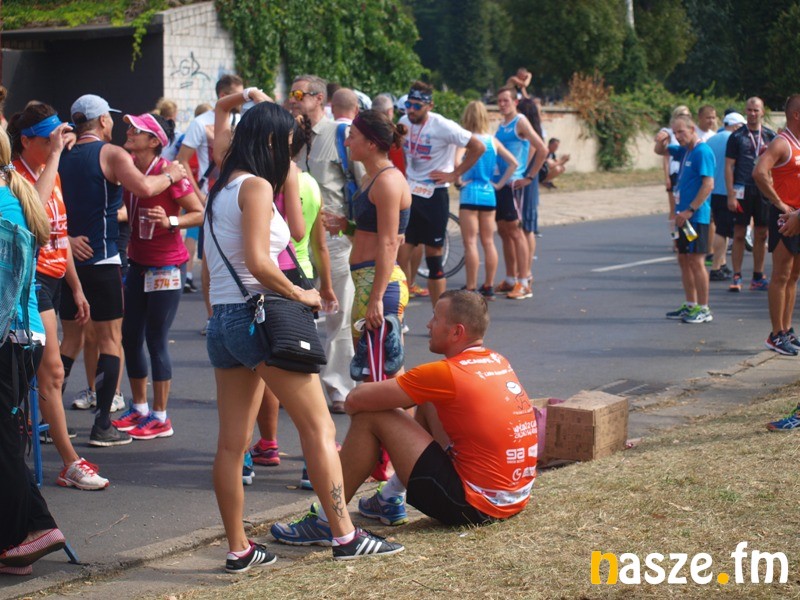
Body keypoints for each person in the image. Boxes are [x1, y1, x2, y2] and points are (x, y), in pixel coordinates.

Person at [203, 92, 402, 572]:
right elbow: (259, 261)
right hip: (258, 316)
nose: (292, 154)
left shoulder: (221, 187)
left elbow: (213, 267)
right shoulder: (255, 187)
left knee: (232, 443)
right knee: (320, 427)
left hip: (225, 319)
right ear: (271, 142)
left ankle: (239, 549)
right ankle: (345, 536)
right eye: (290, 145)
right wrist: (303, 295)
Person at [271, 290, 537, 537]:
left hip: (475, 505)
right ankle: (389, 496)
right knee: (428, 399)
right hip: (513, 498)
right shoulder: (497, 360)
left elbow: (354, 401)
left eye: (436, 318)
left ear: (457, 331)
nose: (428, 325)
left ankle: (326, 521)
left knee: (371, 416)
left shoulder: (445, 373)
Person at [58, 94, 186, 447]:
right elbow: (144, 187)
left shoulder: (60, 152)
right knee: (110, 340)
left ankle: (46, 419)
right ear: (102, 121)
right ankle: (102, 424)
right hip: (102, 260)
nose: (116, 125)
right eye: (112, 119)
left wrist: (66, 238)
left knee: (70, 340)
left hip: (68, 260)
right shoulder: (111, 154)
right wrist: (172, 174)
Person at [8, 103, 109, 490]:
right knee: (51, 371)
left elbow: (60, 232)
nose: (58, 144)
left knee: (43, 372)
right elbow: (34, 216)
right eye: (48, 139)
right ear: (26, 141)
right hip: (29, 280)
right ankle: (69, 462)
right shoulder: (15, 176)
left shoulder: (52, 171)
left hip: (54, 277)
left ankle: (40, 446)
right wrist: (53, 155)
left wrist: (76, 286)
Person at [110, 113, 203, 439]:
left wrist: (171, 222)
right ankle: (140, 408)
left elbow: (199, 212)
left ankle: (161, 417)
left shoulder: (170, 172)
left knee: (155, 337)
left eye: (136, 130)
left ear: (154, 141)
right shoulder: (130, 169)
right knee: (130, 335)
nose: (129, 132)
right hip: (137, 262)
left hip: (167, 266)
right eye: (129, 127)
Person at [0, 127, 66, 575]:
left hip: (10, 337)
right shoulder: (12, 193)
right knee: (5, 437)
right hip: (22, 335)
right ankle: (32, 530)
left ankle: (25, 534)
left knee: (4, 441)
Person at [289, 75, 360, 413]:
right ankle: (295, 386)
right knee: (293, 312)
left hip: (334, 240)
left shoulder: (340, 135)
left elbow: (363, 183)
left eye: (299, 93)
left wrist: (355, 228)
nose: (293, 99)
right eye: (290, 93)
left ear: (319, 98)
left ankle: (339, 388)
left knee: (338, 315)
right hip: (294, 240)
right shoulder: (290, 136)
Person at [397, 81, 486, 306]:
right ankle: (398, 311)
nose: (411, 110)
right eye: (408, 104)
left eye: (417, 106)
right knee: (401, 253)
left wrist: (454, 174)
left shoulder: (444, 126)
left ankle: (439, 315)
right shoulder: (404, 122)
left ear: (430, 106)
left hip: (434, 195)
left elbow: (478, 147)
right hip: (410, 193)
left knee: (434, 257)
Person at [176, 75, 244, 315]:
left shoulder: (242, 120)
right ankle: (211, 317)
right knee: (210, 260)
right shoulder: (200, 123)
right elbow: (182, 160)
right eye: (239, 94)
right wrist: (198, 196)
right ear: (224, 96)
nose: (243, 99)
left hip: (238, 195)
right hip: (210, 197)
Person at [655, 114, 715, 324]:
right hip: (682, 217)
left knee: (697, 261)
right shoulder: (684, 151)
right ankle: (691, 304)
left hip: (696, 217)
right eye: (675, 132)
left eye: (681, 131)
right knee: (684, 259)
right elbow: (660, 151)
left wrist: (690, 210)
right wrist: (661, 138)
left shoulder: (702, 151)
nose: (678, 136)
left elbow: (708, 185)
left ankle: (704, 309)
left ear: (692, 129)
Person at [753, 94, 800, 356]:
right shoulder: (782, 143)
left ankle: (787, 329)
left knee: (793, 276)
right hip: (784, 216)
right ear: (796, 115)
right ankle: (775, 334)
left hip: (799, 216)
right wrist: (780, 203)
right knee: (781, 275)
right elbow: (759, 172)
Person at [456, 100, 517, 297]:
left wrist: (459, 179)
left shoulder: (467, 140)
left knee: (470, 242)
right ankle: (489, 285)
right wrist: (499, 184)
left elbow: (456, 162)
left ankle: (471, 285)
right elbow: (513, 163)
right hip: (488, 194)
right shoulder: (493, 141)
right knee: (488, 241)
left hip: (469, 193)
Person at [492, 86, 547, 301]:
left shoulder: (520, 121)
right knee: (504, 231)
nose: (502, 104)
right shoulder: (502, 125)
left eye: (506, 100)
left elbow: (542, 148)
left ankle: (524, 283)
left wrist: (530, 176)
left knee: (516, 232)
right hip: (501, 183)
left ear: (515, 102)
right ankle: (510, 278)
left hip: (514, 184)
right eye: (499, 101)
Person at [725, 97, 775, 292]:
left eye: (756, 110)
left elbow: (776, 166)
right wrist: (730, 194)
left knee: (761, 234)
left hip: (763, 191)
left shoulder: (770, 136)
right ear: (745, 111)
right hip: (741, 189)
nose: (752, 113)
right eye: (749, 110)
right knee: (738, 233)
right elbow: (729, 166)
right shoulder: (736, 136)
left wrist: (773, 191)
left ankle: (758, 276)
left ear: (762, 112)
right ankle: (737, 275)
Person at [706, 112, 745, 281]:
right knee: (723, 230)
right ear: (736, 126)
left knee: (720, 226)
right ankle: (716, 267)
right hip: (726, 190)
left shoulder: (712, 139)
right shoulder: (735, 140)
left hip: (713, 189)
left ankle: (721, 263)